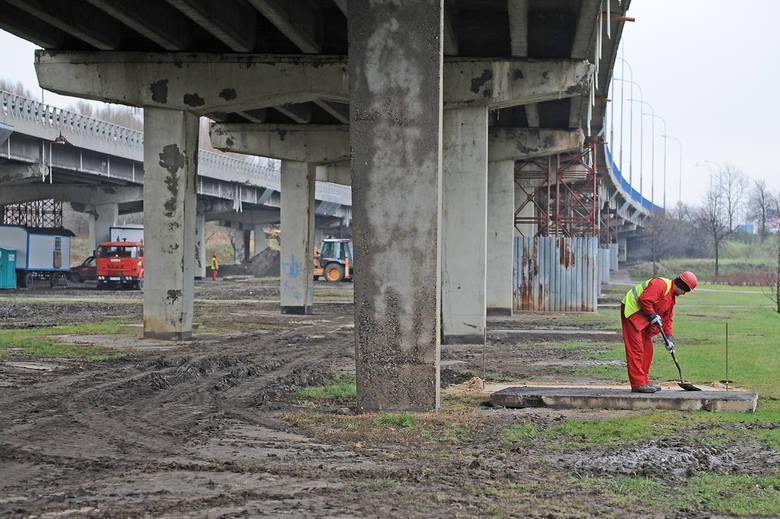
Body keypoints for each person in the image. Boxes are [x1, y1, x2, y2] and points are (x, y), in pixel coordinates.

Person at [620, 271, 698, 393]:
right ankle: (638, 384)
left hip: (644, 317)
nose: (683, 294)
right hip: (632, 312)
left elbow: (667, 321)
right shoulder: (661, 285)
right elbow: (644, 299)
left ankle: (644, 381)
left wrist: (670, 339)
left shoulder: (671, 298)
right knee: (636, 349)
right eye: (685, 291)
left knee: (648, 350)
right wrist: (652, 314)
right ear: (683, 286)